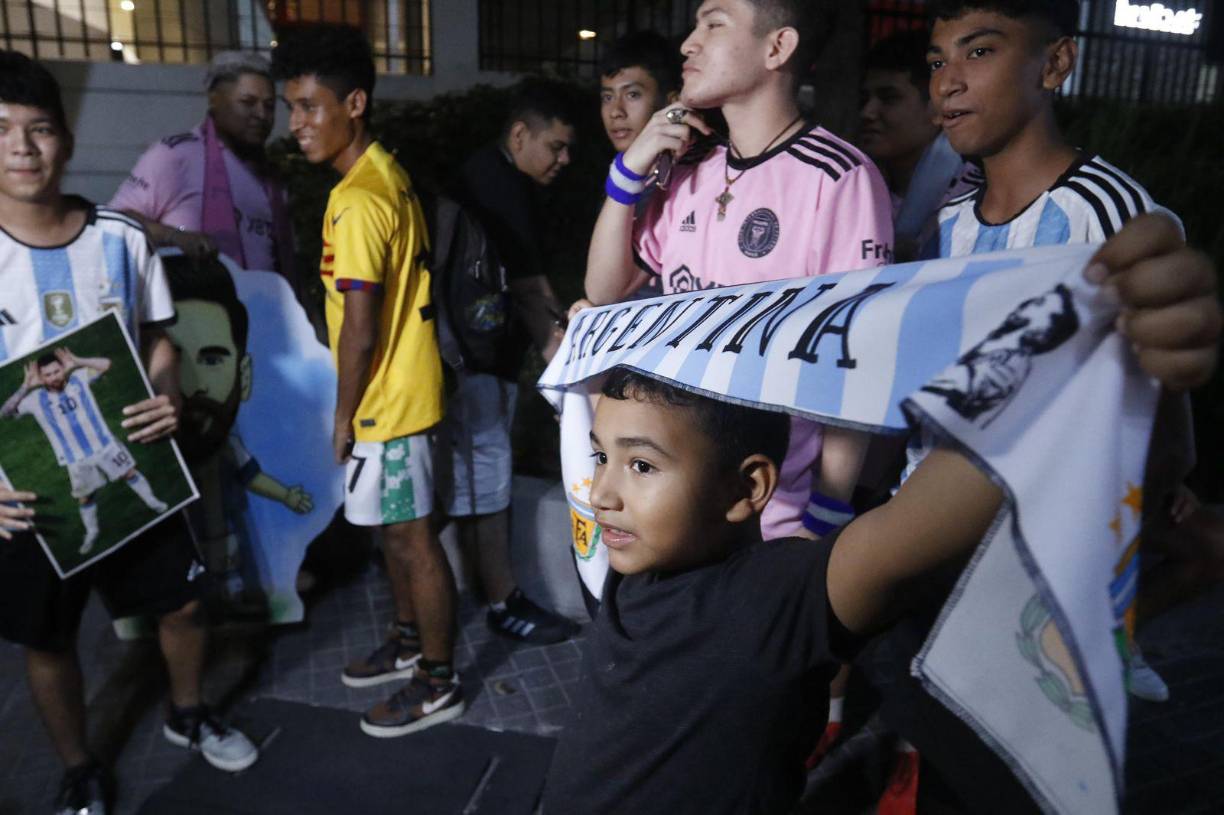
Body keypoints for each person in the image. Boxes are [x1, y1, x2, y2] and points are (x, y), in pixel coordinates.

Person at [543, 215, 1221, 811]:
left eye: (641, 465)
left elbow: (988, 476)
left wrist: (1120, 351)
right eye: (601, 456)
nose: (602, 491)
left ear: (750, 487)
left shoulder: (778, 597)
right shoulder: (638, 562)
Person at [870, 1, 1224, 810]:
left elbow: (1164, 430)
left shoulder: (1114, 218)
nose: (947, 81)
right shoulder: (949, 221)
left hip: (1035, 585)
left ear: (1056, 65)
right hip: (933, 553)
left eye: (980, 51)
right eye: (935, 59)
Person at [0, 51, 258, 815]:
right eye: (3, 130)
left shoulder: (119, 236)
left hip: (126, 462)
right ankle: (80, 765)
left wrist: (169, 395)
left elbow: (158, 342)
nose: (22, 147)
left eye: (39, 129)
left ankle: (187, 712)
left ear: (66, 140)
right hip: (28, 492)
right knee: (48, 641)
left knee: (180, 605)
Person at [585, 0, 893, 549]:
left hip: (773, 521)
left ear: (777, 48)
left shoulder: (838, 179)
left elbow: (855, 359)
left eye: (714, 23)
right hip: (671, 506)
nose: (688, 43)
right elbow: (603, 292)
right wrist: (628, 172)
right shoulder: (689, 172)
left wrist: (825, 515)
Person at [272, 24, 461, 737]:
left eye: (310, 106)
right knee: (392, 532)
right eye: (292, 108)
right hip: (399, 394)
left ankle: (438, 679)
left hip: (391, 406)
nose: (297, 124)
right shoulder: (385, 170)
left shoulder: (356, 200)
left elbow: (359, 325)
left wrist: (344, 416)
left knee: (413, 538)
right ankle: (409, 638)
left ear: (354, 103)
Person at [441, 80, 580, 644]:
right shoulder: (504, 187)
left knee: (477, 480)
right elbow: (530, 290)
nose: (565, 160)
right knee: (489, 481)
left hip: (462, 356)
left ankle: (485, 591)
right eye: (556, 146)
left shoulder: (479, 173)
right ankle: (504, 602)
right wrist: (567, 380)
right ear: (520, 134)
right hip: (477, 363)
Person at [163, 254, 313, 616]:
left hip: (237, 558)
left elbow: (252, 475)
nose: (194, 386)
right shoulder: (160, 463)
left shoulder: (230, 448)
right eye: (175, 360)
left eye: (212, 360)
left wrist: (287, 496)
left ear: (244, 376)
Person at [110, 51, 293, 277]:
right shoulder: (174, 155)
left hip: (266, 307)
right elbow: (118, 221)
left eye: (269, 106)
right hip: (199, 306)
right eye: (247, 102)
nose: (261, 115)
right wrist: (174, 236)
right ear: (214, 99)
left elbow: (285, 259)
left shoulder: (270, 175)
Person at [2, 348, 170, 555]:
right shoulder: (35, 399)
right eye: (48, 374)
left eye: (57, 371)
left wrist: (77, 361)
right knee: (86, 497)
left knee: (129, 473)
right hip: (76, 458)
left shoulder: (79, 379)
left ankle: (153, 503)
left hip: (105, 444)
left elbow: (106, 364)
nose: (54, 377)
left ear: (63, 368)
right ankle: (92, 532)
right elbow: (6, 413)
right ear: (41, 377)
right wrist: (25, 386)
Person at [859, 28, 982, 262]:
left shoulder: (974, 196)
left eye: (889, 98)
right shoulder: (854, 188)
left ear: (936, 106)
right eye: (865, 99)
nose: (868, 112)